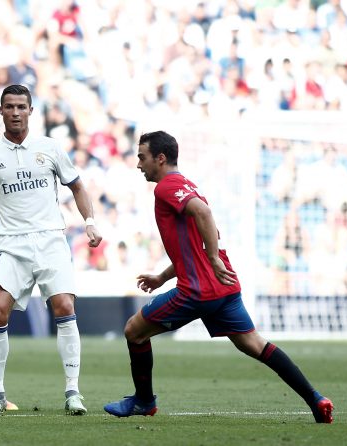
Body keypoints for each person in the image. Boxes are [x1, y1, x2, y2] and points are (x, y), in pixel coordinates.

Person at [103, 131, 333, 424]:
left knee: (134, 330)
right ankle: (316, 400)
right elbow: (195, 242)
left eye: (142, 157)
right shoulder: (187, 185)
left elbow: (204, 213)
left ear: (160, 159)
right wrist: (163, 276)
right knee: (254, 344)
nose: (139, 164)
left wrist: (212, 258)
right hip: (223, 286)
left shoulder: (166, 187)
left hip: (197, 291)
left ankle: (144, 402)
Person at [0, 84, 102, 416]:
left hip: (51, 238)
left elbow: (77, 186)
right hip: (11, 243)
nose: (15, 112)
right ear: (0, 111)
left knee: (64, 305)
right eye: (8, 107)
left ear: (30, 111)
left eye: (21, 107)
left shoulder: (50, 148)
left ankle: (73, 392)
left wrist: (91, 221)